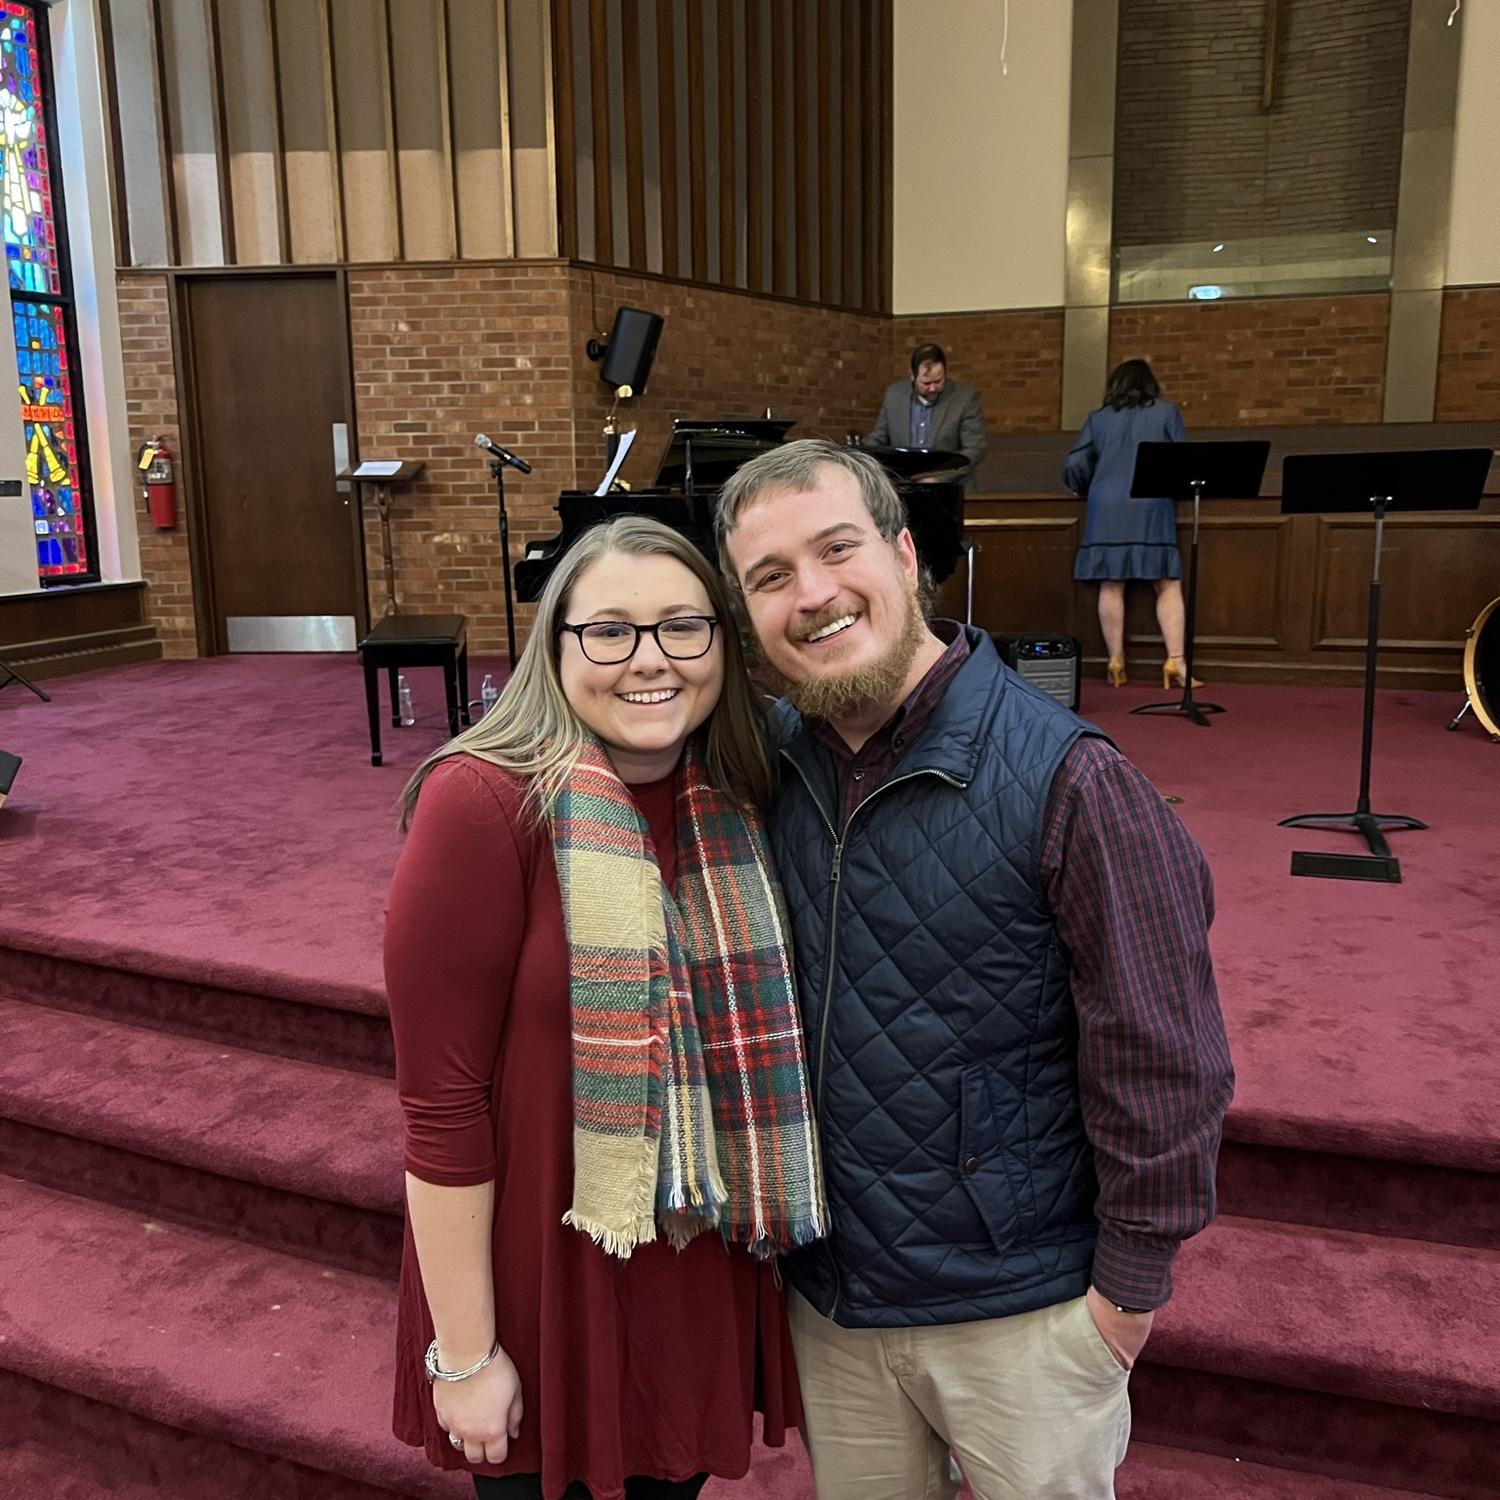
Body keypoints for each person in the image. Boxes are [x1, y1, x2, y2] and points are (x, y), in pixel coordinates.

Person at [713, 439, 1234, 1500]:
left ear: (907, 557)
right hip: (835, 1301)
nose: (812, 595)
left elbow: (1166, 1060)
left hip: (1023, 1312)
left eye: (837, 549)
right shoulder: (768, 765)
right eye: (770, 577)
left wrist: (1122, 1303)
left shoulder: (1072, 780)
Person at [384, 515, 827, 1500]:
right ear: (557, 647)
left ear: (721, 642)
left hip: (693, 1262)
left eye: (682, 626)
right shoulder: (483, 803)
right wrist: (466, 1353)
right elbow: (440, 1106)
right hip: (542, 1282)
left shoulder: (741, 799)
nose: (650, 659)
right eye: (610, 631)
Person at [1063, 359, 1193, 689]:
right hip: (1151, 502)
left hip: (1106, 505)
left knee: (1111, 583)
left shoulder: (1098, 418)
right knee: (1167, 583)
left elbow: (1076, 462)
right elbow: (1181, 461)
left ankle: (1115, 660)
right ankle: (1176, 662)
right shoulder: (1166, 413)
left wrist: (1085, 485)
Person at [866, 342, 988, 490]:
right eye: (926, 383)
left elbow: (975, 448)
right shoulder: (894, 395)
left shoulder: (964, 398)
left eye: (939, 381)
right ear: (912, 375)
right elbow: (879, 438)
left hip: (951, 487)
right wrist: (860, 457)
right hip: (903, 487)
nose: (933, 388)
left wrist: (939, 478)